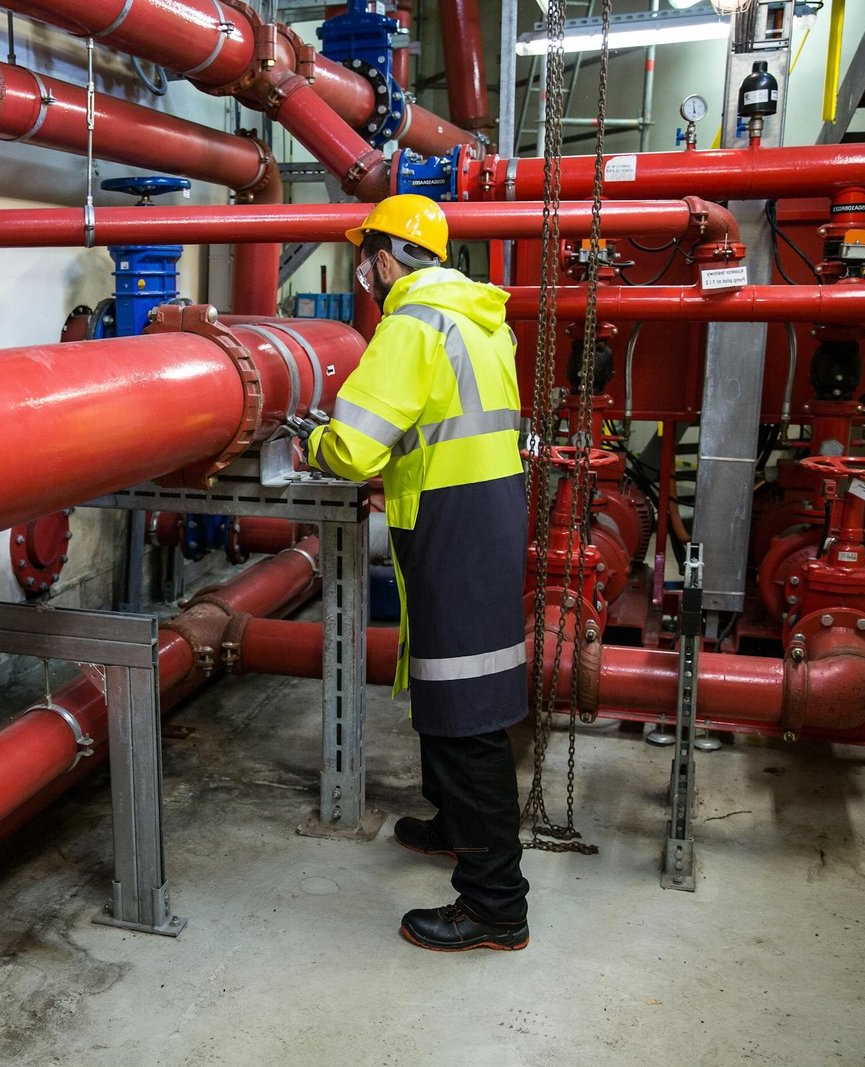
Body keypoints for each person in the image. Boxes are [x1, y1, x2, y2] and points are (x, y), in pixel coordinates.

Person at [304, 194, 531, 952]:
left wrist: (314, 446)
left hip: (453, 522)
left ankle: (496, 903)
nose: (363, 270)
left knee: (469, 715)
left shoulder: (411, 324)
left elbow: (357, 448)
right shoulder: (476, 317)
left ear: (384, 255)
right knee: (447, 685)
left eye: (364, 254)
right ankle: (454, 825)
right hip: (485, 513)